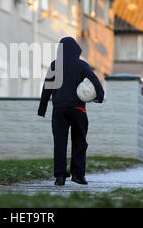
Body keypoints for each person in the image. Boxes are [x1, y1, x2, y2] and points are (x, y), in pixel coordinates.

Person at [37, 37, 104, 186]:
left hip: (59, 109)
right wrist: (99, 97)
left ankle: (60, 176)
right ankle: (78, 175)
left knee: (60, 143)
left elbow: (47, 87)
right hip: (78, 109)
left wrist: (42, 108)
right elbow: (95, 80)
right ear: (76, 51)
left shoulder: (55, 65)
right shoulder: (81, 64)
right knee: (79, 142)